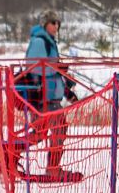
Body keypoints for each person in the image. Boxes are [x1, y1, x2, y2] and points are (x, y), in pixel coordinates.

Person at [20, 9, 77, 181]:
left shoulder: (49, 42)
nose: (56, 26)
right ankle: (51, 168)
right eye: (53, 22)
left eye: (58, 23)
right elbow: (34, 67)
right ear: (45, 24)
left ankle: (9, 152)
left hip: (51, 96)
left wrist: (67, 92)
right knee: (52, 131)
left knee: (42, 133)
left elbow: (52, 69)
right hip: (42, 96)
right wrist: (57, 67)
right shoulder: (39, 41)